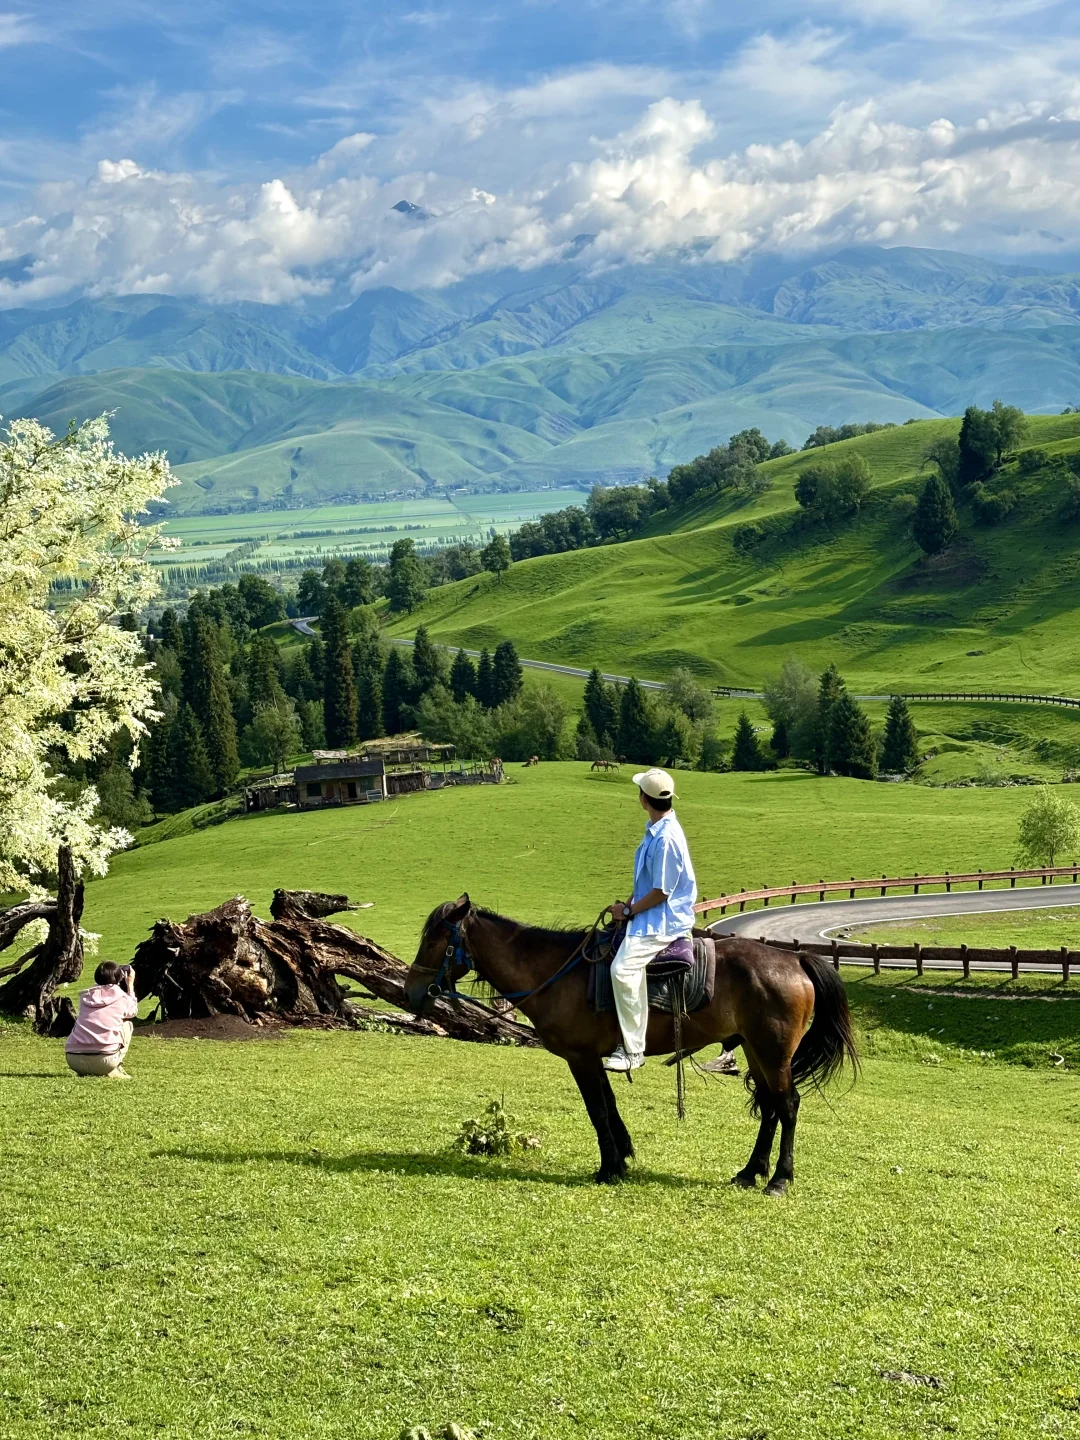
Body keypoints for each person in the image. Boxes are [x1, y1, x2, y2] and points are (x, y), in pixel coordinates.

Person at [604, 767, 697, 1073]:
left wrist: (629, 912)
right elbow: (646, 882)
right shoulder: (656, 829)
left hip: (663, 922)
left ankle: (633, 1051)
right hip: (650, 912)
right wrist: (626, 904)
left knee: (622, 970)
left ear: (643, 798)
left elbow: (661, 892)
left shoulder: (666, 838)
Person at [65, 961, 139, 1079]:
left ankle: (86, 1069)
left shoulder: (85, 997)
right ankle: (115, 1067)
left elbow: (100, 990)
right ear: (119, 977)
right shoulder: (121, 997)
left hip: (74, 1059)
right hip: (106, 1061)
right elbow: (133, 1012)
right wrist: (130, 985)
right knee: (127, 1025)